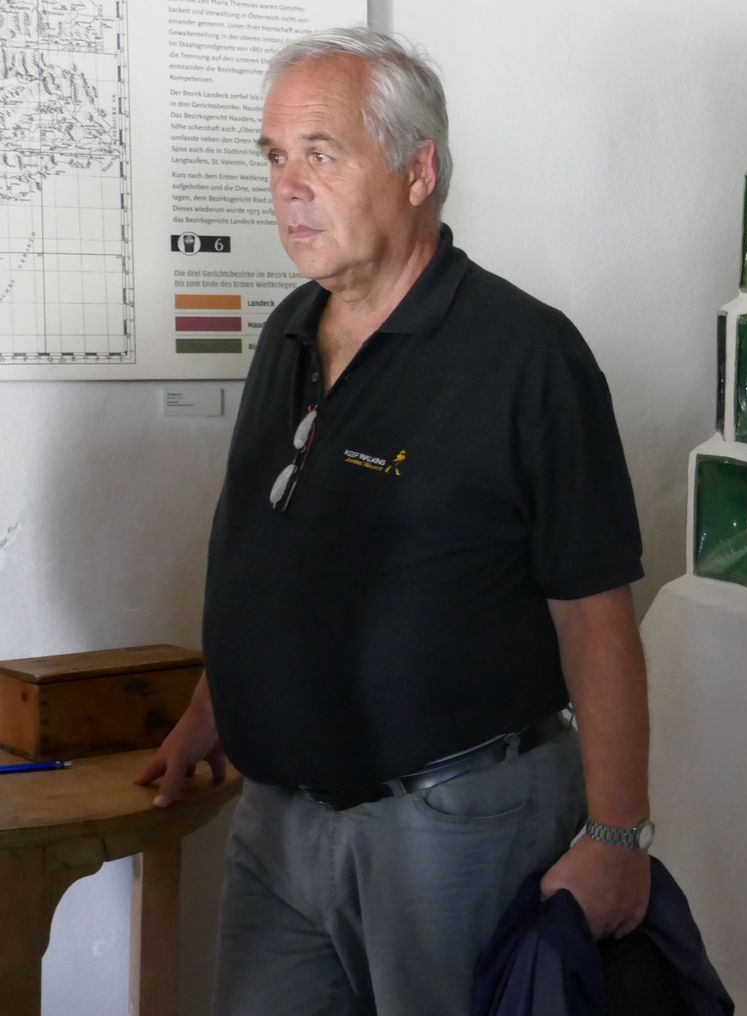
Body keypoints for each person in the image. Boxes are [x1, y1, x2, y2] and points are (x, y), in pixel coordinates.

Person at [135, 27, 655, 1016]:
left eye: (321, 154)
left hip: (452, 820)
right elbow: (268, 553)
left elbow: (594, 618)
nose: (289, 188)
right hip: (277, 819)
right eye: (275, 158)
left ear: (418, 171)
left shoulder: (525, 355)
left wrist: (617, 833)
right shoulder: (288, 331)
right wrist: (214, 706)